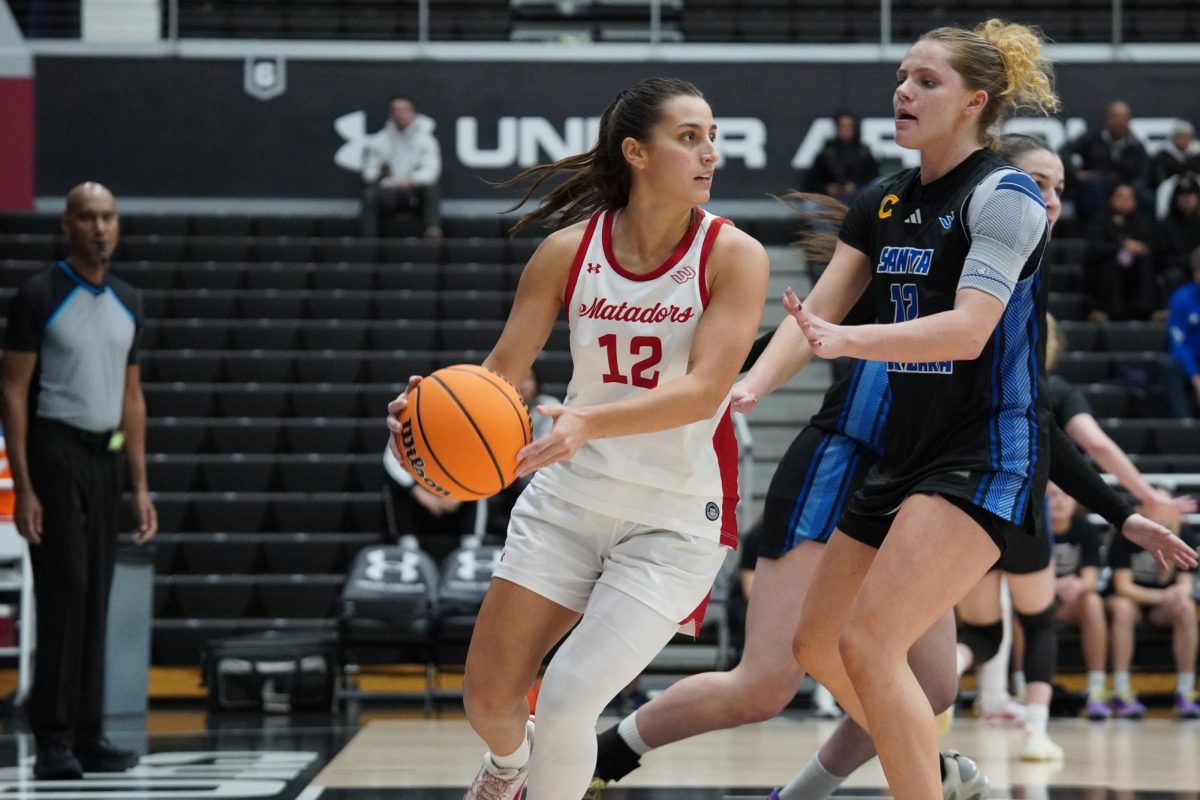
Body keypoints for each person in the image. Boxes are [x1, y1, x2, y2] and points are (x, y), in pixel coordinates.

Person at [763, 23, 1194, 800]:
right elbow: (813, 319)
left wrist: (847, 337)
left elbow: (967, 334)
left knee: (868, 642)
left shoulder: (1004, 196)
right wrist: (743, 390)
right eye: (901, 75)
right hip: (906, 451)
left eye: (926, 80)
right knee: (818, 644)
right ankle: (940, 776)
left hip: (984, 453)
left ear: (974, 102)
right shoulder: (883, 200)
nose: (903, 91)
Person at [386, 77, 769, 800]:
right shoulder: (567, 251)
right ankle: (509, 765)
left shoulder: (733, 254)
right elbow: (502, 376)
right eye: (689, 136)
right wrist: (429, 412)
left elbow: (706, 390)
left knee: (565, 699)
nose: (710, 152)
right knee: (488, 700)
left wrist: (591, 419)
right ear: (636, 152)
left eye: (711, 135)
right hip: (572, 495)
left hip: (676, 515)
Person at [0, 182, 158, 780]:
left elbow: (132, 396)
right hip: (55, 448)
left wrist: (140, 485)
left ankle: (90, 734)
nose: (99, 227)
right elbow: (13, 390)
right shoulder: (39, 294)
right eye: (88, 217)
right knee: (63, 591)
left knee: (96, 591)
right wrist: (24, 485)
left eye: (109, 217)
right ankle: (54, 739)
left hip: (105, 457)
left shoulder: (128, 300)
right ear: (67, 224)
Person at [1106, 501, 1200, 719]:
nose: (1162, 512)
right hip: (1133, 602)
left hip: (1164, 608)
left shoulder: (1183, 532)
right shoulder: (1126, 534)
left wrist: (1177, 593)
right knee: (1121, 607)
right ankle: (1121, 690)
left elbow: (1187, 582)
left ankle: (1185, 691)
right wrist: (1161, 596)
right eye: (1156, 506)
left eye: (1166, 507)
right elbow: (1123, 586)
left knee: (1186, 607)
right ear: (1142, 510)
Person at [360, 95, 443, 239]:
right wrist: (379, 173)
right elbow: (368, 173)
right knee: (369, 195)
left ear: (413, 113)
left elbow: (431, 172)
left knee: (432, 190)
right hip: (388, 192)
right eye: (396, 110)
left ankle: (432, 231)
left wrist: (411, 180)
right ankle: (369, 240)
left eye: (404, 110)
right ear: (391, 114)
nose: (400, 114)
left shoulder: (426, 140)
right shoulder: (379, 140)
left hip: (414, 192)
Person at [1062, 100, 1152, 226]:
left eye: (1123, 117)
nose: (1119, 121)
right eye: (1115, 116)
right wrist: (1076, 173)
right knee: (1092, 185)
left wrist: (1129, 189)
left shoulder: (1136, 146)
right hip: (1099, 185)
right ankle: (1095, 231)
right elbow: (1065, 151)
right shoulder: (1092, 138)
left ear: (1128, 120)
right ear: (1108, 118)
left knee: (1147, 198)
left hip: (1126, 187)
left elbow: (1143, 173)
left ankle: (1142, 237)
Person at [1082, 182, 1159, 322]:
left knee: (1145, 262)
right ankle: (1110, 312)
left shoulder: (1142, 221)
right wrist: (1121, 246)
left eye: (1129, 197)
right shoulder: (1100, 219)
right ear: (1111, 198)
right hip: (1107, 268)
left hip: (1135, 269)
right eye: (1120, 196)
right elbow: (1094, 248)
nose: (1125, 201)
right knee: (1113, 265)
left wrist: (1141, 248)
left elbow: (1153, 246)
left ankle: (1145, 310)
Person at [804, 112, 880, 205]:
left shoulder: (863, 152)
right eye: (842, 126)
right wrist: (828, 188)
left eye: (849, 126)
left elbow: (874, 176)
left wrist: (855, 185)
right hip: (831, 201)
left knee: (879, 183)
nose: (846, 129)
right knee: (810, 206)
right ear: (836, 128)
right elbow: (810, 183)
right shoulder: (826, 153)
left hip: (858, 198)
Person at [1165, 245, 1200, 418]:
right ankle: (1183, 421)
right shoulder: (1182, 298)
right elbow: (1178, 343)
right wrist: (1195, 376)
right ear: (1196, 273)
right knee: (1169, 365)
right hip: (1190, 357)